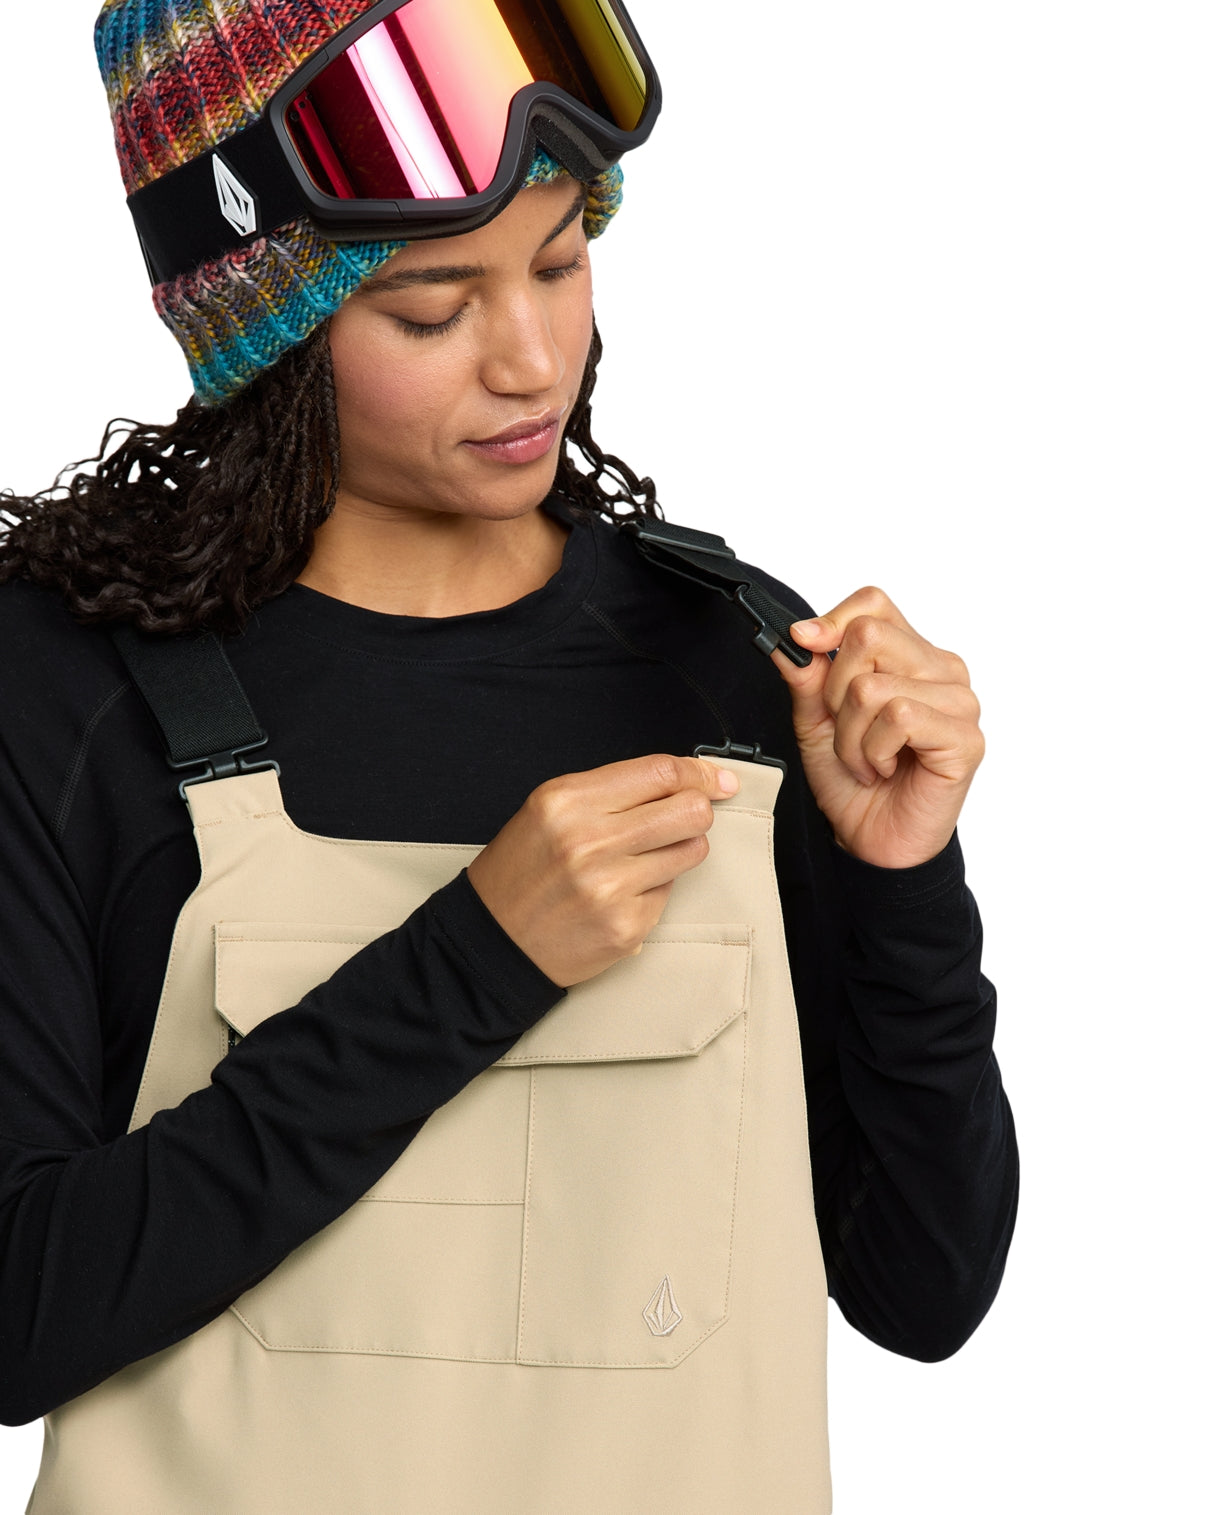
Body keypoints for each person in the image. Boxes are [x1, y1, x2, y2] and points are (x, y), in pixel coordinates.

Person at [0, 1, 1017, 1511]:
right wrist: (475, 960)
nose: (533, 361)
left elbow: (924, 1293)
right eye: (430, 311)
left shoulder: (728, 664)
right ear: (268, 332)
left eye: (559, 262)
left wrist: (904, 885)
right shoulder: (65, 691)